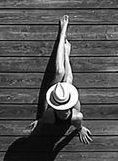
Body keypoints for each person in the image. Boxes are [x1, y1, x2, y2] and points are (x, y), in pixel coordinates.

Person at [23, 14, 92, 144]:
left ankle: (62, 36)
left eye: (65, 109)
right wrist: (40, 121)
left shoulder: (76, 116)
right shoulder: (51, 115)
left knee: (60, 72)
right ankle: (65, 51)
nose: (65, 112)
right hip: (58, 94)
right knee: (66, 76)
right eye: (62, 110)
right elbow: (45, 114)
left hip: (60, 94)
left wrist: (80, 129)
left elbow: (78, 126)